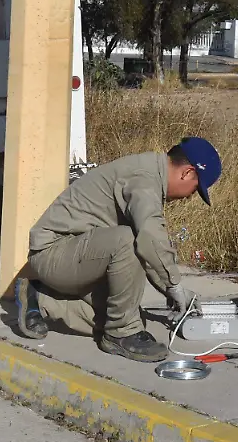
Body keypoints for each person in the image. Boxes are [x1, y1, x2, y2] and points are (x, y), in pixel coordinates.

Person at [12, 137, 222, 363]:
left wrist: (169, 288)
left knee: (123, 312)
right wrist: (173, 285)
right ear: (187, 173)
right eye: (195, 189)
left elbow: (149, 249)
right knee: (128, 240)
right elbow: (149, 237)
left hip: (77, 256)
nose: (190, 196)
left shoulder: (148, 172)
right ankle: (120, 335)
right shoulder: (144, 179)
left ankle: (41, 300)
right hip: (53, 254)